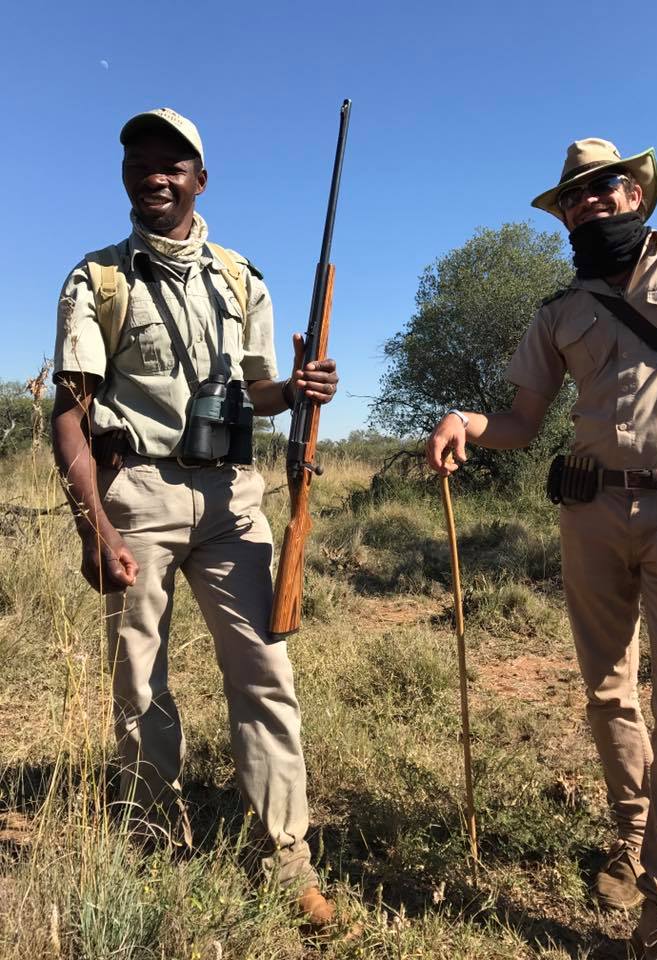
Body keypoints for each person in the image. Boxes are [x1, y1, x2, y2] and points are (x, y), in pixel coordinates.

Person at [426, 138, 657, 960]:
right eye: (575, 196)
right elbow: (522, 422)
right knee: (607, 689)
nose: (590, 202)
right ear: (563, 216)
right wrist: (465, 421)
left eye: (604, 187)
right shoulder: (559, 310)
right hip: (590, 513)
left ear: (636, 194)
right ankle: (631, 836)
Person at [52, 108, 339, 926]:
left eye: (171, 164)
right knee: (138, 677)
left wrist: (298, 389)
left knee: (264, 672)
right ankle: (150, 837)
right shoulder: (98, 280)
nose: (154, 175)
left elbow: (257, 391)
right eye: (139, 163)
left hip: (230, 501)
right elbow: (70, 414)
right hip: (137, 494)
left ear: (199, 180)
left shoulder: (240, 277)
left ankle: (285, 858)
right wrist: (96, 528)